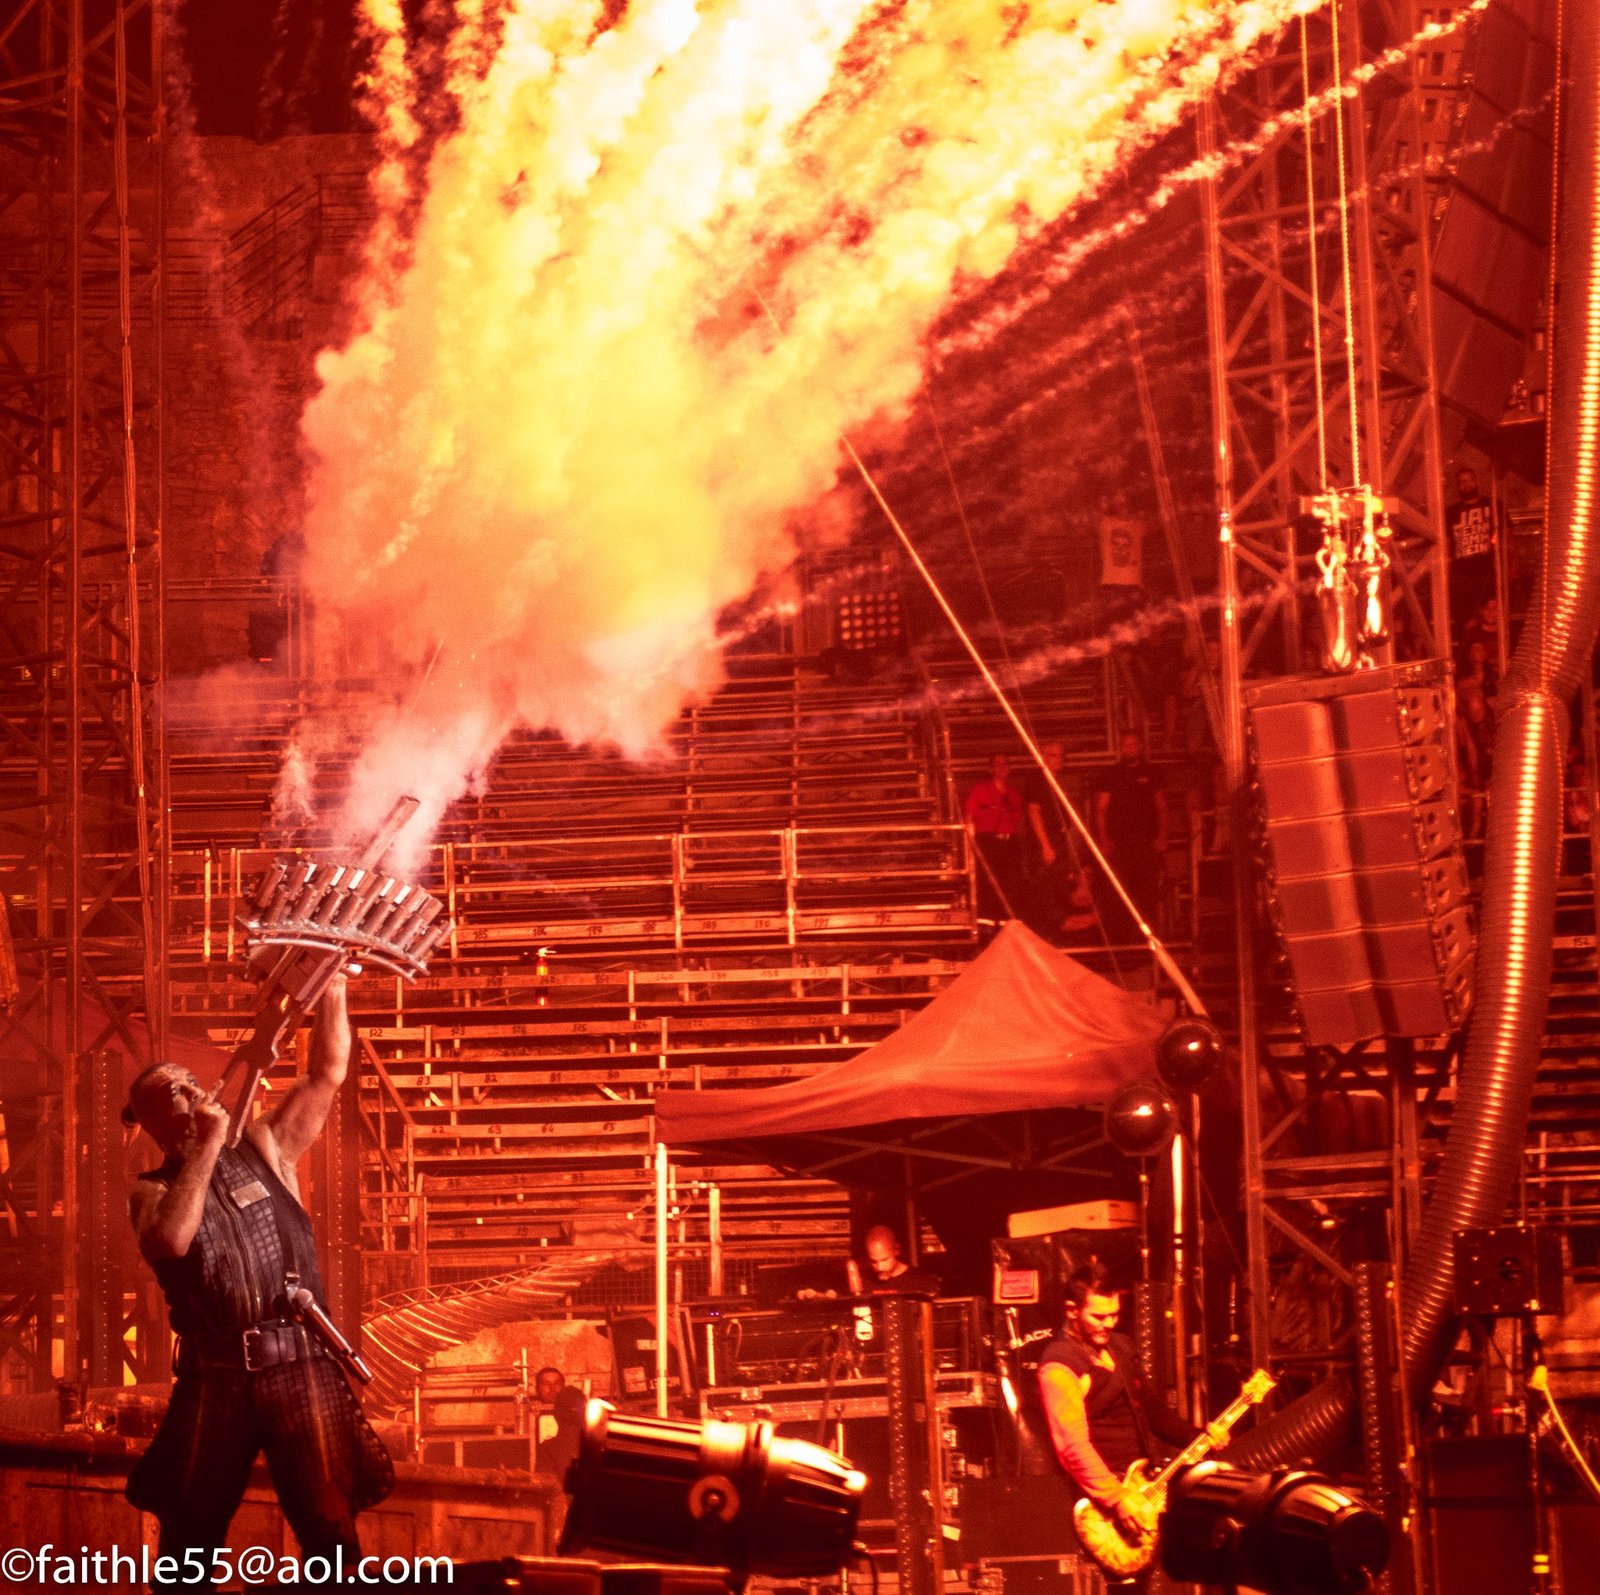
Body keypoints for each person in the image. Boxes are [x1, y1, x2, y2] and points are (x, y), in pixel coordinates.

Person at [122, 974, 393, 1589]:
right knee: (189, 1540)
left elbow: (327, 1073)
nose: (190, 1090)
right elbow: (171, 1242)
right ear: (154, 1120)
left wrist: (333, 981)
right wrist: (209, 1146)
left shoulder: (266, 1145)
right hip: (214, 1378)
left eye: (191, 1082)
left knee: (331, 1532)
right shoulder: (153, 1189)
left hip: (299, 1365)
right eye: (172, 1090)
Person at [1037, 1264, 1212, 1590]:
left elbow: (1153, 1411)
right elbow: (1071, 1446)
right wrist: (1116, 1498)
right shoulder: (1060, 1366)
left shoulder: (1121, 1347)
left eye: (1114, 1315)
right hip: (1104, 1504)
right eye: (1098, 1317)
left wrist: (1197, 1436)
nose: (1109, 1324)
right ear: (1072, 1311)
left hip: (1143, 1488)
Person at [1023, 741, 1101, 942]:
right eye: (1052, 755)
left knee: (1058, 893)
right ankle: (1046, 937)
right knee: (1046, 896)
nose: (1058, 759)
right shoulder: (1037, 779)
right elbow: (1034, 812)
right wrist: (1046, 846)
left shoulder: (1054, 784)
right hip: (1048, 846)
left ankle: (1057, 936)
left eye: (1060, 755)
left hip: (1059, 845)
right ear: (1044, 757)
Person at [1094, 730, 1167, 938]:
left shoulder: (1153, 772)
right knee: (1118, 891)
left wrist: (1162, 836)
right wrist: (1105, 839)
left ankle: (1147, 939)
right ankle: (1120, 939)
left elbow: (1161, 806)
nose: (1129, 749)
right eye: (1125, 745)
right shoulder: (1110, 773)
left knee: (1146, 891)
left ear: (1140, 746)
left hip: (1145, 841)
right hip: (1118, 843)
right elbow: (1101, 809)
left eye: (1133, 744)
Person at [964, 752, 1025, 926]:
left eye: (1006, 763)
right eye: (998, 764)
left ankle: (1007, 924)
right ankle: (987, 926)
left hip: (1009, 843)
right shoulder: (979, 790)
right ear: (990, 769)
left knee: (1011, 884)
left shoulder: (1014, 794)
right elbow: (969, 818)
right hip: (987, 842)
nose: (1002, 767)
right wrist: (972, 846)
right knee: (988, 884)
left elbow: (1018, 821)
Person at [1445, 466, 1499, 639]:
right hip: (1461, 573)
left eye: (1469, 480)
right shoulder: (1451, 512)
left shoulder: (1492, 505)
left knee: (1491, 613)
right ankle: (1470, 653)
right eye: (1462, 482)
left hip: (1487, 570)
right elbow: (1446, 544)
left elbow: (1505, 535)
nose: (1466, 485)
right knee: (1465, 620)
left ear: (1476, 481)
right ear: (1458, 486)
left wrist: (1511, 563)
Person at [861, 1224, 941, 1296]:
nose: (880, 1267)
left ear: (897, 1250)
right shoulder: (861, 1283)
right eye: (874, 1262)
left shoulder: (923, 1282)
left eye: (884, 1260)